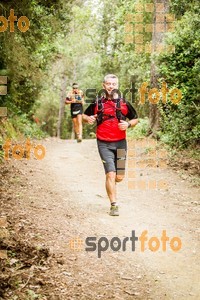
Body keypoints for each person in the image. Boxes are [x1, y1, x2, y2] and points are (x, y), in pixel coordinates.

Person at [83, 74, 138, 216]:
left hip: (120, 143)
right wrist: (88, 118)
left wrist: (128, 124)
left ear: (117, 86)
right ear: (104, 86)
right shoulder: (97, 103)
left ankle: (114, 182)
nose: (111, 86)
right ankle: (114, 205)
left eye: (114, 84)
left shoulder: (124, 103)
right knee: (110, 174)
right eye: (108, 84)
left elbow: (135, 118)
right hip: (103, 143)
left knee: (119, 176)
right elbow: (84, 115)